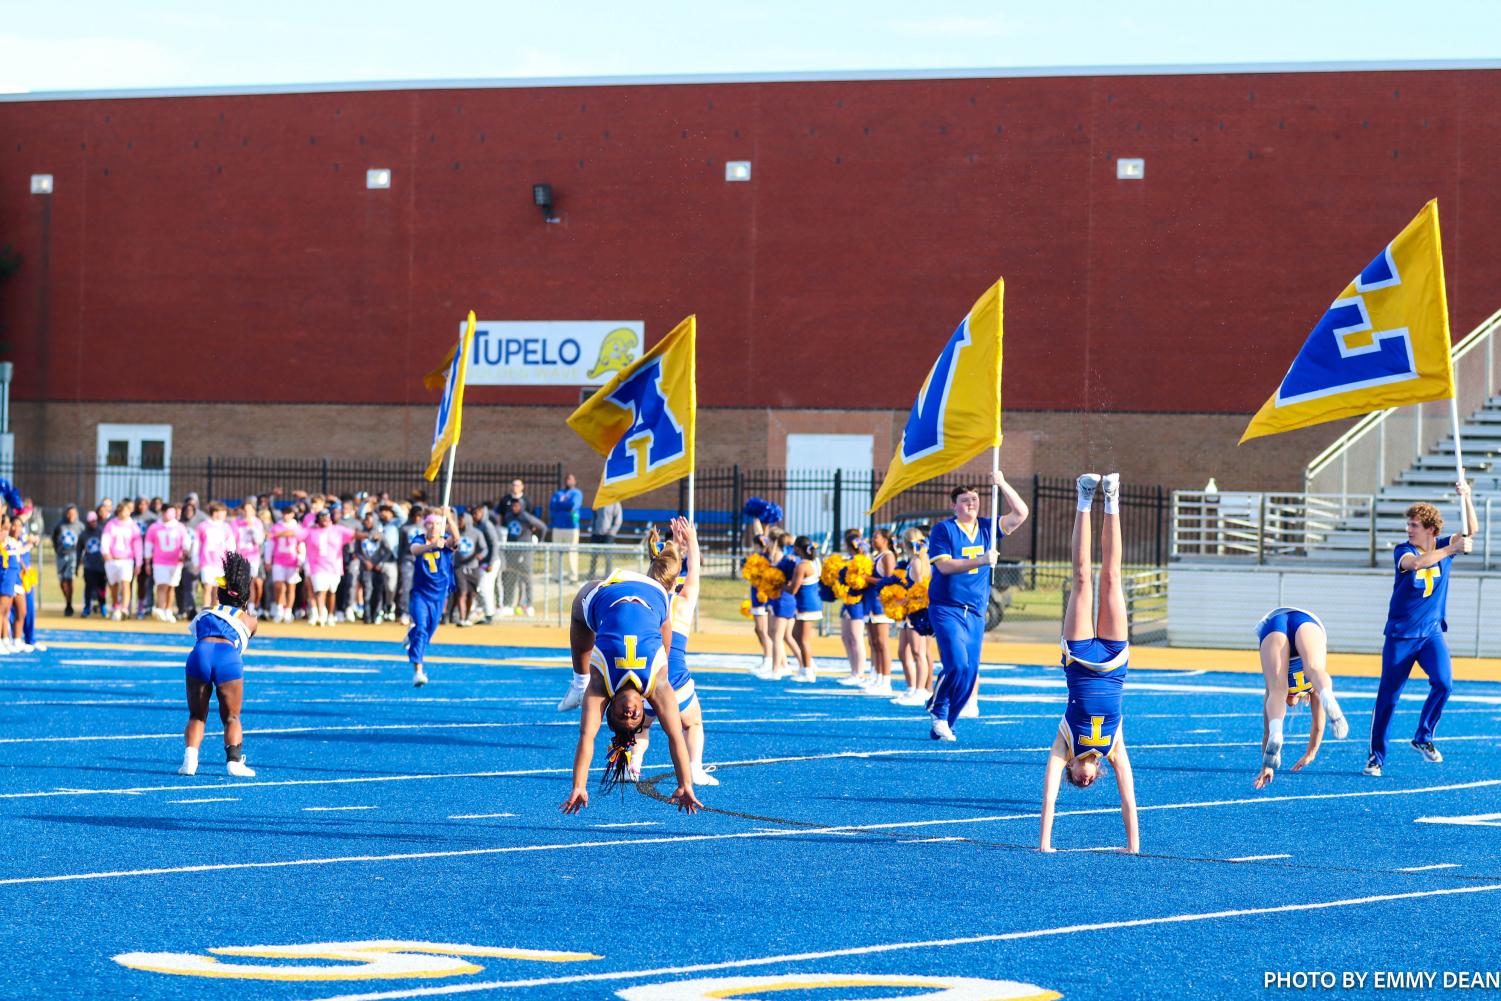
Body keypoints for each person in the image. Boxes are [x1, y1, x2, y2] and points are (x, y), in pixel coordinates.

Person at [560, 516, 702, 815]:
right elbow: (676, 736)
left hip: (604, 592)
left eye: (622, 718)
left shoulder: (601, 687)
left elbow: (587, 737)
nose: (630, 714)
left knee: (577, 613)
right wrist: (685, 783)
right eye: (634, 719)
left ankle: (577, 681)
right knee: (663, 626)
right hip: (656, 600)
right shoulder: (657, 686)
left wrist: (578, 784)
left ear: (609, 709)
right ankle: (666, 551)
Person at [1038, 473, 1139, 855]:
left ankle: (1084, 497)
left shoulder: (1064, 743)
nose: (1083, 778)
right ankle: (1111, 497)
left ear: (1071, 770)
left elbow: (1048, 798)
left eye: (1075, 780)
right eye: (1088, 781)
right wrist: (1133, 848)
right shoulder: (1114, 748)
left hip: (1079, 660)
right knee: (1111, 579)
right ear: (1097, 774)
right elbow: (1129, 798)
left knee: (1082, 579)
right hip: (1114, 662)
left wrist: (1045, 845)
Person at [1366, 477, 1478, 776]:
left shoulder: (1442, 546)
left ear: (1430, 529)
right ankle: (1376, 757)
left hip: (1430, 634)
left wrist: (1466, 496)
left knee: (1444, 682)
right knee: (1388, 696)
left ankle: (1423, 737)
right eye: (1409, 524)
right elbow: (1416, 565)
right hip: (1400, 636)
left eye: (1414, 525)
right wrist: (1451, 550)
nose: (1408, 529)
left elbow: (1471, 530)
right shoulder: (1404, 550)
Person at [925, 470, 1029, 740]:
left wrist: (1003, 482)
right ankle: (938, 711)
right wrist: (981, 560)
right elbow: (945, 566)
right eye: (964, 500)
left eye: (974, 499)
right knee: (957, 664)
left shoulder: (987, 528)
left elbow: (1020, 513)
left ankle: (948, 720)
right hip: (946, 607)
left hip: (975, 610)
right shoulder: (944, 529)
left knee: (970, 673)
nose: (970, 503)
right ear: (953, 505)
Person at [620, 521, 720, 786]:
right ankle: (695, 769)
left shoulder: (643, 601)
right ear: (677, 578)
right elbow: (694, 576)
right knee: (693, 724)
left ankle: (635, 763)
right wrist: (692, 542)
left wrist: (674, 546)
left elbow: (656, 571)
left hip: (646, 672)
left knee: (643, 726)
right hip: (674, 674)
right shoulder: (683, 602)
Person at [177, 552, 258, 778]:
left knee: (196, 715)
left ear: (220, 593)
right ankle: (234, 762)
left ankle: (189, 762)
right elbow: (243, 635)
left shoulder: (204, 613)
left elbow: (199, 632)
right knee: (231, 716)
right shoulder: (251, 620)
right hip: (227, 658)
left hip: (199, 655)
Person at [1253, 607, 1349, 789]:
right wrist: (1311, 752)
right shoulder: (1312, 690)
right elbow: (1318, 726)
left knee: (1277, 692)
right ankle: (1327, 692)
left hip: (1274, 625)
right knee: (1314, 670)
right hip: (1305, 620)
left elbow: (1267, 733)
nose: (1290, 705)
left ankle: (1278, 730)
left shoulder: (1276, 692)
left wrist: (1267, 765)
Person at [407, 508, 460, 687]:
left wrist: (450, 519)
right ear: (425, 525)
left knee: (427, 632)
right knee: (422, 628)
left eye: (437, 524)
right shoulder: (419, 540)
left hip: (439, 595)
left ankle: (411, 635)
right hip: (421, 593)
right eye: (430, 523)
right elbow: (414, 551)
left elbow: (457, 540)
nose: (433, 527)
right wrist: (431, 546)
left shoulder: (445, 543)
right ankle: (418, 672)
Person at [892, 528, 934, 707]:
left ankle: (920, 690)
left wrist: (902, 600)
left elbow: (920, 590)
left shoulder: (918, 562)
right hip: (911, 610)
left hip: (918, 611)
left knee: (919, 652)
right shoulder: (914, 561)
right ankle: (912, 689)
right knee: (904, 650)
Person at [860, 528, 900, 696]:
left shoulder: (888, 556)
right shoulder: (876, 556)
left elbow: (889, 580)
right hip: (871, 601)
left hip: (880, 602)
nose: (873, 539)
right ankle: (876, 676)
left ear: (885, 540)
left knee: (882, 642)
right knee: (873, 642)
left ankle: (886, 680)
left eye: (876, 536)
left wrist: (866, 579)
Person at [305, 508, 355, 626]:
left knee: (331, 592)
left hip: (334, 567)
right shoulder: (311, 531)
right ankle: (321, 614)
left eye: (327, 517)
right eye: (322, 518)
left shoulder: (338, 530)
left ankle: (331, 615)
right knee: (319, 591)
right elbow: (297, 534)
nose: (325, 520)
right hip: (317, 566)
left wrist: (369, 535)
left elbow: (354, 535)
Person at [834, 528, 870, 687]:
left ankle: (859, 672)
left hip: (858, 601)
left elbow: (863, 582)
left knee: (856, 637)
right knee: (846, 636)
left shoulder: (863, 560)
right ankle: (853, 671)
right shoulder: (848, 560)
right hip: (847, 601)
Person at [145, 504, 192, 622]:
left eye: (172, 512)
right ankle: (160, 609)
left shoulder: (180, 527)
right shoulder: (154, 527)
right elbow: (148, 545)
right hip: (159, 561)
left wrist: (184, 552)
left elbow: (186, 542)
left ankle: (168, 610)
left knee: (172, 586)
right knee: (162, 585)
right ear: (162, 513)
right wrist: (147, 561)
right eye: (167, 512)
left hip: (175, 562)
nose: (170, 515)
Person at [500, 496, 545, 616]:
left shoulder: (526, 517)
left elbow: (543, 527)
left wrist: (538, 543)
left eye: (517, 505)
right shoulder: (508, 516)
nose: (514, 507)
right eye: (513, 505)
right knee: (510, 579)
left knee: (527, 578)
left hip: (525, 552)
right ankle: (508, 604)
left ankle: (529, 605)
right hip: (512, 552)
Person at [788, 537, 822, 683]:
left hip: (807, 604)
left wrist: (779, 586)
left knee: (803, 639)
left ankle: (808, 670)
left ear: (797, 549)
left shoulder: (802, 566)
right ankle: (807, 665)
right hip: (807, 602)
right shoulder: (814, 562)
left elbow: (793, 589)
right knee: (795, 634)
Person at [101, 500, 140, 621]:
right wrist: (106, 553)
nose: (125, 513)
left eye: (128, 510)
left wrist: (139, 562)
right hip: (113, 560)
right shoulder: (111, 525)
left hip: (126, 560)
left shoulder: (133, 526)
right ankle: (116, 605)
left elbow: (138, 545)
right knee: (113, 585)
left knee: (125, 583)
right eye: (123, 510)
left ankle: (124, 608)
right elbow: (105, 540)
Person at [267, 507, 306, 623]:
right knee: (278, 586)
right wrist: (268, 560)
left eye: (288, 514)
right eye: (284, 513)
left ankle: (288, 611)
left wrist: (301, 561)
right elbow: (270, 544)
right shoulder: (276, 527)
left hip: (292, 561)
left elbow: (301, 545)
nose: (286, 516)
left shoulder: (298, 528)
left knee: (291, 586)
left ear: (293, 515)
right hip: (279, 560)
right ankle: (279, 608)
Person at [453, 510, 491, 626]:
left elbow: (484, 548)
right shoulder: (456, 533)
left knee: (471, 594)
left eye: (462, 519)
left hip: (473, 567)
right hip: (459, 567)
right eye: (459, 520)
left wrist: (480, 555)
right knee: (462, 592)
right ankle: (462, 618)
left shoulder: (476, 533)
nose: (459, 522)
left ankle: (467, 616)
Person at [196, 503, 237, 608]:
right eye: (221, 512)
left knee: (218, 589)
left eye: (224, 512)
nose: (223, 514)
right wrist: (196, 561)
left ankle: (216, 610)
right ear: (214, 513)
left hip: (221, 564)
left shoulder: (226, 527)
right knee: (207, 586)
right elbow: (197, 544)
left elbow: (231, 545)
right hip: (207, 562)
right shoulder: (203, 526)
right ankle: (205, 608)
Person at [233, 501, 267, 613]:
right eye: (245, 510)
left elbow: (259, 540)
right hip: (239, 557)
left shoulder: (257, 523)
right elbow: (232, 540)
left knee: (250, 582)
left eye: (250, 510)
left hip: (253, 558)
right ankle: (239, 606)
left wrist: (252, 527)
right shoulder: (236, 522)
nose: (247, 513)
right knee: (239, 584)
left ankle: (251, 607)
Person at [550, 473, 584, 583]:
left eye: (571, 479)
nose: (569, 481)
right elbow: (553, 506)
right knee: (556, 552)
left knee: (572, 552)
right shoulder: (558, 493)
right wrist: (565, 505)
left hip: (571, 527)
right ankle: (556, 576)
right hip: (558, 526)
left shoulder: (577, 493)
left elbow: (574, 505)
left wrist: (562, 504)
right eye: (567, 479)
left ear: (575, 481)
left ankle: (573, 577)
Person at [50, 505, 82, 617]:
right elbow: (54, 538)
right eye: (69, 513)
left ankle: (69, 604)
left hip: (73, 555)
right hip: (61, 556)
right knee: (62, 580)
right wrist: (57, 550)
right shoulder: (60, 525)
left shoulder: (80, 526)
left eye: (73, 514)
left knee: (69, 579)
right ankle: (67, 600)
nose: (71, 516)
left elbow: (82, 541)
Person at [79, 510, 106, 617]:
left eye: (94, 521)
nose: (93, 523)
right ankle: (87, 607)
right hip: (89, 566)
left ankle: (102, 605)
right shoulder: (83, 534)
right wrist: (77, 565)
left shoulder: (102, 531)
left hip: (101, 566)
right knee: (89, 588)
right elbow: (79, 550)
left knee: (101, 588)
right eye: (90, 521)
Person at [588, 500, 623, 578]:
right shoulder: (599, 501)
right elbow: (594, 517)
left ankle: (608, 576)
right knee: (593, 556)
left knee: (608, 557)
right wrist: (593, 530)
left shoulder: (615, 503)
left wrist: (611, 532)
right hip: (596, 534)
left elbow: (618, 520)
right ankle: (591, 575)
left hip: (608, 535)